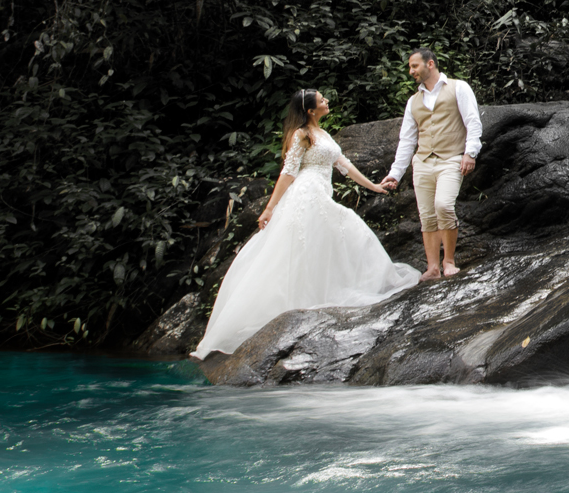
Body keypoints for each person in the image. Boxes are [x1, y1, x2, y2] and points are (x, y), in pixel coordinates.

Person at [191, 89, 415, 359]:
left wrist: (374, 187)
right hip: (307, 194)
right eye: (322, 100)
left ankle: (322, 299)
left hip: (320, 192)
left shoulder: (323, 134)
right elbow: (288, 172)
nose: (327, 102)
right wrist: (270, 207)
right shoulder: (301, 135)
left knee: (332, 241)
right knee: (310, 244)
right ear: (310, 110)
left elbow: (344, 165)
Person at [379, 47, 482, 281]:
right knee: (426, 215)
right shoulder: (413, 101)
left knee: (444, 206)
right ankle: (433, 267)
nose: (410, 71)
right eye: (409, 67)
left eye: (414, 66)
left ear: (430, 64)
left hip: (452, 158)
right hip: (423, 162)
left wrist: (470, 153)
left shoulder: (458, 88)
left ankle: (449, 261)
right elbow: (407, 140)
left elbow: (473, 122)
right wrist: (395, 173)